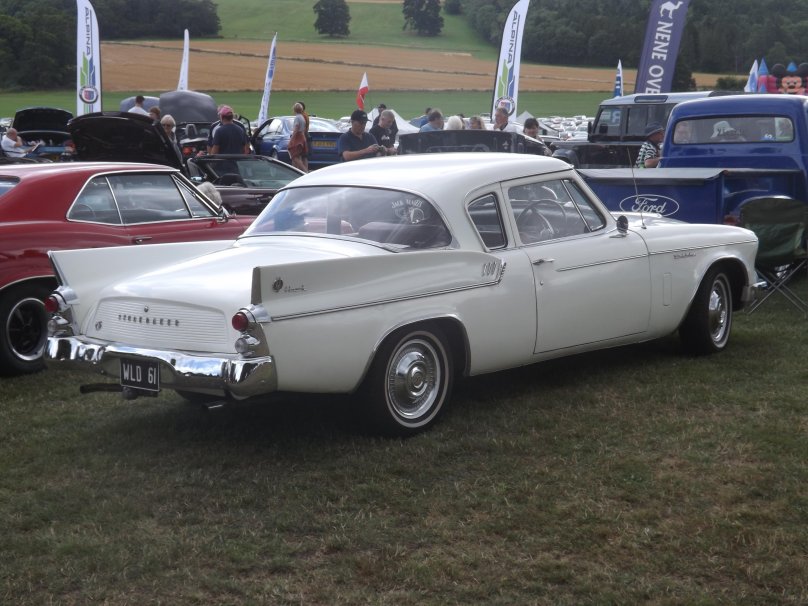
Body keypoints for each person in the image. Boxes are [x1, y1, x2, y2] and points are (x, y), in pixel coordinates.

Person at [289, 102, 309, 172]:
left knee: (294, 156)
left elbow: (296, 128)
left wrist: (292, 139)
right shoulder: (302, 116)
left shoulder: (297, 117)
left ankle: (304, 171)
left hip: (298, 137)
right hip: (302, 136)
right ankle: (297, 171)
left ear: (294, 110)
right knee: (300, 156)